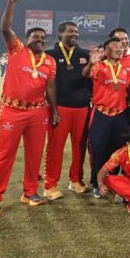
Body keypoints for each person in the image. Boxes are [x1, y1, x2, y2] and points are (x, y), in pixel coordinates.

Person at [0, 0, 60, 215]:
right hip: (12, 110)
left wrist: (55, 110)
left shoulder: (50, 61)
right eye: (35, 36)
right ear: (27, 39)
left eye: (43, 37)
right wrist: (10, 3)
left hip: (38, 112)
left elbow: (50, 87)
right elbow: (5, 28)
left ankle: (30, 192)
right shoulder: (17, 49)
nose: (40, 40)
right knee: (5, 154)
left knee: (35, 154)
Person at [43, 21, 93, 197]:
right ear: (60, 34)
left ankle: (76, 180)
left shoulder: (86, 55)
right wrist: (53, 109)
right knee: (55, 147)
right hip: (60, 108)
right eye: (71, 31)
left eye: (76, 31)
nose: (74, 34)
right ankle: (50, 185)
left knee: (79, 147)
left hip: (83, 108)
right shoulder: (50, 55)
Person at [82, 37, 130, 196]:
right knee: (98, 149)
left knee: (117, 149)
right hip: (101, 113)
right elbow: (86, 74)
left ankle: (112, 180)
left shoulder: (124, 69)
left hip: (120, 115)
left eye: (121, 46)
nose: (119, 49)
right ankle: (96, 182)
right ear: (106, 51)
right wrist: (90, 63)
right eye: (115, 46)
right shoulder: (99, 66)